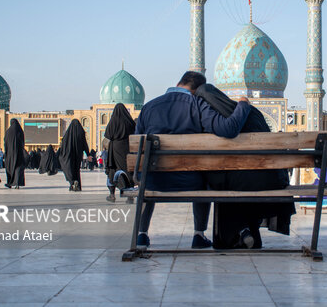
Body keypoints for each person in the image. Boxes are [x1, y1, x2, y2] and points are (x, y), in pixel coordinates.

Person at [134, 71, 251, 249]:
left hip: (152, 181)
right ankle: (199, 235)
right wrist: (242, 105)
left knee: (146, 179)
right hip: (190, 181)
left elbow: (137, 148)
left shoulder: (148, 107)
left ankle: (141, 235)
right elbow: (229, 129)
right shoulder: (197, 104)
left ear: (178, 83)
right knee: (207, 176)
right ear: (199, 90)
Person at [196, 83, 295, 249]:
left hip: (242, 179)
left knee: (225, 181)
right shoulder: (252, 111)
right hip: (272, 178)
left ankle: (237, 232)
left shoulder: (219, 122)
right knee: (242, 178)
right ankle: (248, 233)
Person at [104, 103, 136, 202]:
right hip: (128, 147)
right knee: (128, 170)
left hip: (115, 149)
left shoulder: (113, 122)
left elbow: (108, 135)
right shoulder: (130, 122)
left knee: (113, 170)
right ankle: (129, 195)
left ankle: (112, 195)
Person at [58, 119, 89, 191]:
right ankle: (77, 186)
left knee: (69, 169)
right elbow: (85, 144)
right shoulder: (81, 132)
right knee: (76, 170)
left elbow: (63, 145)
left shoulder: (68, 134)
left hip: (69, 155)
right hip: (78, 155)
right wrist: (88, 154)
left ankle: (72, 182)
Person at [4, 119, 27, 189]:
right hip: (19, 153)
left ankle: (10, 183)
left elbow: (5, 142)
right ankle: (17, 183)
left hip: (10, 154)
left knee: (10, 168)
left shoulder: (8, 132)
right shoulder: (20, 131)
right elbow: (22, 142)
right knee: (18, 168)